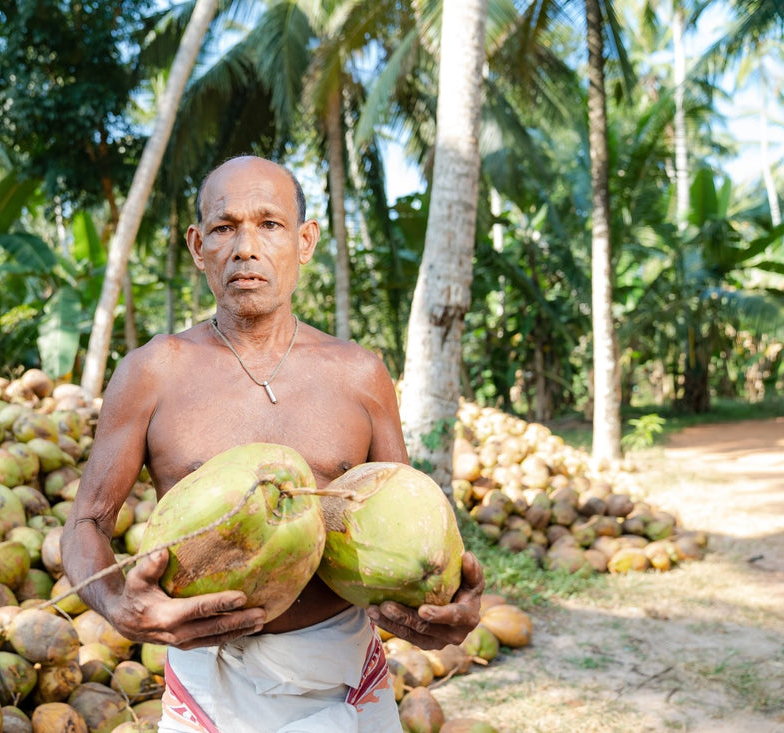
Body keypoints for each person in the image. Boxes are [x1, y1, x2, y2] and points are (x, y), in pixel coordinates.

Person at [61, 155, 485, 732]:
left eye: (270, 224)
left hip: (348, 682)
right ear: (197, 245)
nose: (245, 247)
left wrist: (441, 607)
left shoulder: (359, 375)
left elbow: (409, 521)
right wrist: (118, 607)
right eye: (224, 227)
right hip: (207, 687)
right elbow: (86, 523)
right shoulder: (152, 371)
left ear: (305, 241)